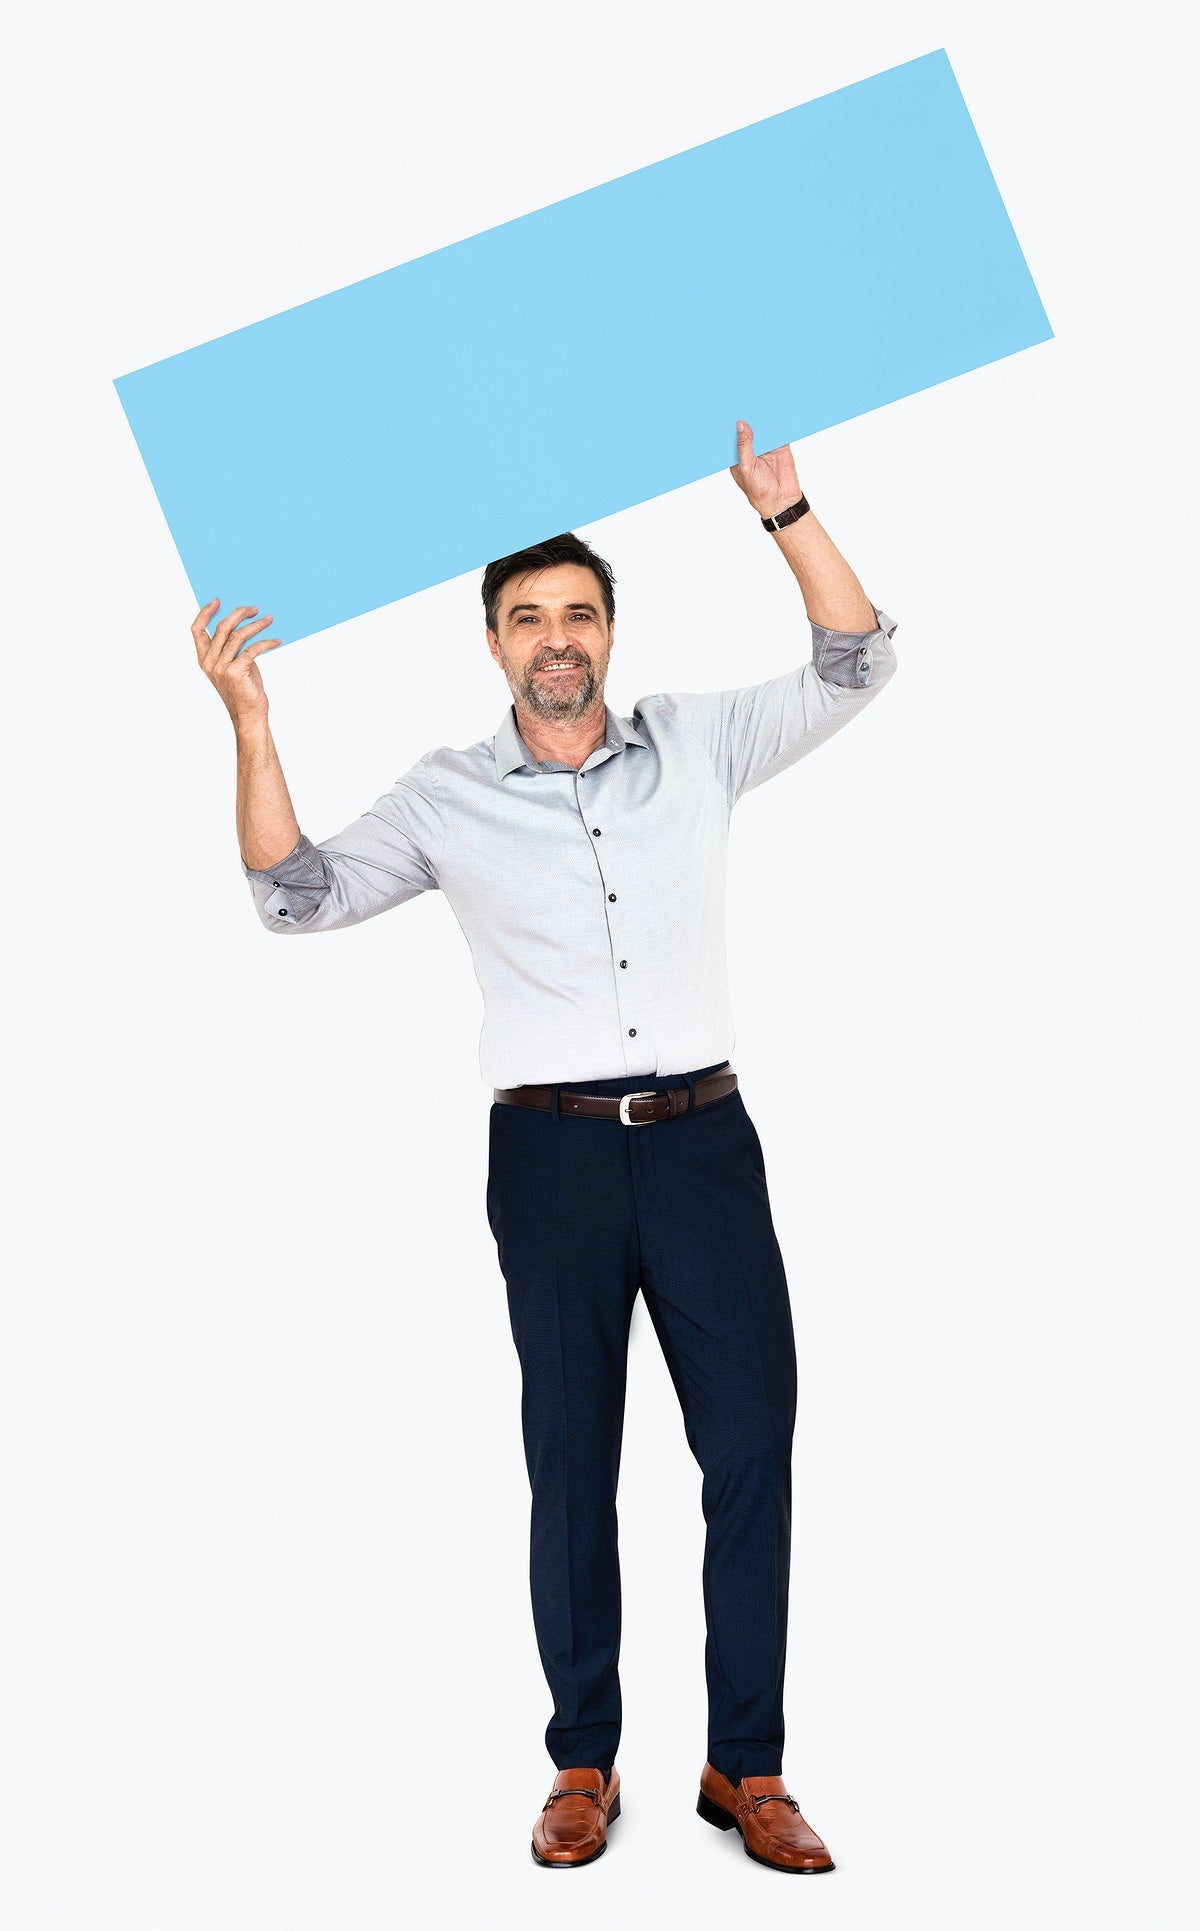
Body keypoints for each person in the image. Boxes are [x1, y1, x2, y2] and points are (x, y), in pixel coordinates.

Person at [192, 420, 898, 1874]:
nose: (557, 639)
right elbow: (293, 898)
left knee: (751, 1451)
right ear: (496, 646)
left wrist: (789, 511)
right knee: (570, 1465)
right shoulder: (445, 796)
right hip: (554, 1165)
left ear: (612, 630)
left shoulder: (697, 742)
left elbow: (858, 661)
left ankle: (745, 1767)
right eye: (529, 619)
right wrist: (254, 730)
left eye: (578, 613)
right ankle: (583, 1764)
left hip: (706, 1147)